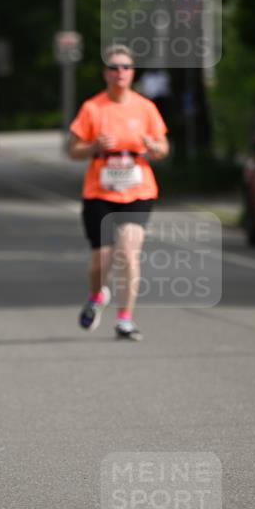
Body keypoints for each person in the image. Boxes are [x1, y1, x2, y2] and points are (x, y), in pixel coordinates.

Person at [68, 46, 168, 341]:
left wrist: (154, 147)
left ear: (132, 72)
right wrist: (94, 146)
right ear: (106, 73)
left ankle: (125, 318)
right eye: (114, 67)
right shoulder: (92, 108)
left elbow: (163, 147)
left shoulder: (145, 108)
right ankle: (97, 295)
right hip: (99, 190)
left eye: (125, 66)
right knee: (102, 259)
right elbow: (73, 150)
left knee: (128, 252)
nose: (119, 72)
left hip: (138, 189)